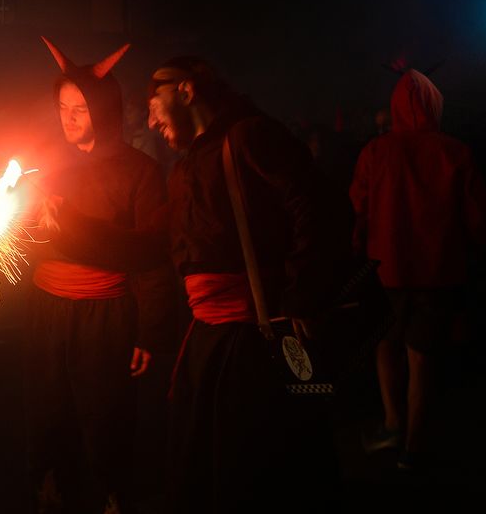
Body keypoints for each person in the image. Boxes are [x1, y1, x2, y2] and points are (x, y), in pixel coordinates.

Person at [146, 55, 350, 513]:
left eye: (153, 99)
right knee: (204, 464)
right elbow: (155, 242)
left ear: (186, 89)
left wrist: (303, 292)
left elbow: (315, 207)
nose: (149, 118)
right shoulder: (185, 168)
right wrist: (64, 226)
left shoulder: (250, 137)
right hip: (210, 340)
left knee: (261, 468)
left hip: (259, 337)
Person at [23, 38, 174, 514]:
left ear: (106, 110)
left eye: (80, 109)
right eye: (63, 108)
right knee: (49, 409)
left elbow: (151, 256)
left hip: (105, 313)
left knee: (104, 413)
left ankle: (113, 493)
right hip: (48, 312)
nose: (68, 119)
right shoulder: (43, 167)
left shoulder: (140, 172)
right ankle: (54, 486)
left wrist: (150, 329)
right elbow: (25, 244)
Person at [349, 68, 486, 469]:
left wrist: (357, 250)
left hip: (384, 272)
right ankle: (414, 445)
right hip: (438, 273)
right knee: (421, 359)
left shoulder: (375, 152)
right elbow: (477, 216)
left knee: (385, 346)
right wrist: (476, 252)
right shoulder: (455, 151)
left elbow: (357, 209)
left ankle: (393, 424)